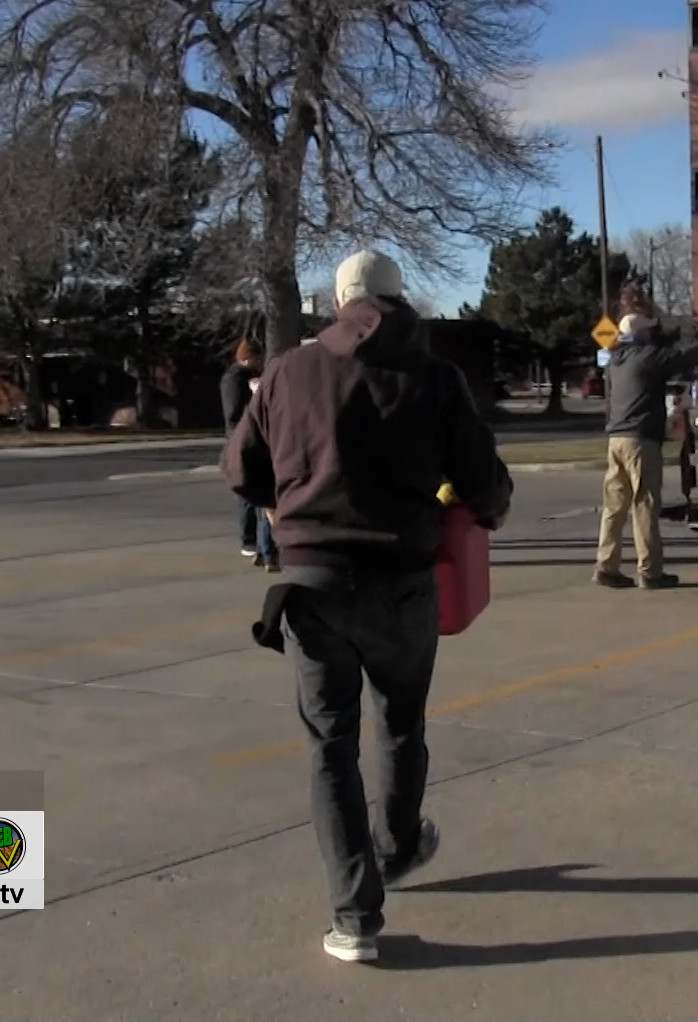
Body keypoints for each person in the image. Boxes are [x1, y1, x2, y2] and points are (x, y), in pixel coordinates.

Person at [222, 249, 513, 964]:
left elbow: (240, 468)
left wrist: (284, 507)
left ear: (340, 299)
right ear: (398, 299)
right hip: (404, 583)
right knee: (401, 724)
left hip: (312, 587)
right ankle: (401, 843)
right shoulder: (436, 377)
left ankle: (354, 918)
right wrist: (477, 511)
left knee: (330, 748)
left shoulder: (288, 370)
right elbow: (486, 483)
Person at [595, 287, 698, 590]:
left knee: (615, 506)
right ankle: (650, 570)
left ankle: (606, 566)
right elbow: (683, 356)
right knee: (645, 504)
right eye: (648, 330)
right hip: (640, 440)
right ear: (641, 334)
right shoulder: (648, 357)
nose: (652, 334)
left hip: (615, 439)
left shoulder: (616, 361)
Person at [221, 339, 278, 572]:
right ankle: (259, 546)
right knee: (259, 497)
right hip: (246, 438)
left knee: (252, 495)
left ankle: (257, 545)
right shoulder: (239, 379)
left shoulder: (235, 378)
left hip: (243, 438)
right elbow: (236, 413)